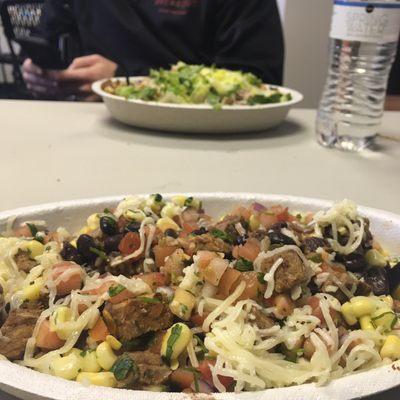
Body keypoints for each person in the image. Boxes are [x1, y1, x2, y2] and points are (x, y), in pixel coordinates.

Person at [22, 0, 284, 101]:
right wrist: (40, 72)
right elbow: (47, 40)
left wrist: (126, 82)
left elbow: (260, 80)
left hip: (208, 138)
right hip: (92, 126)